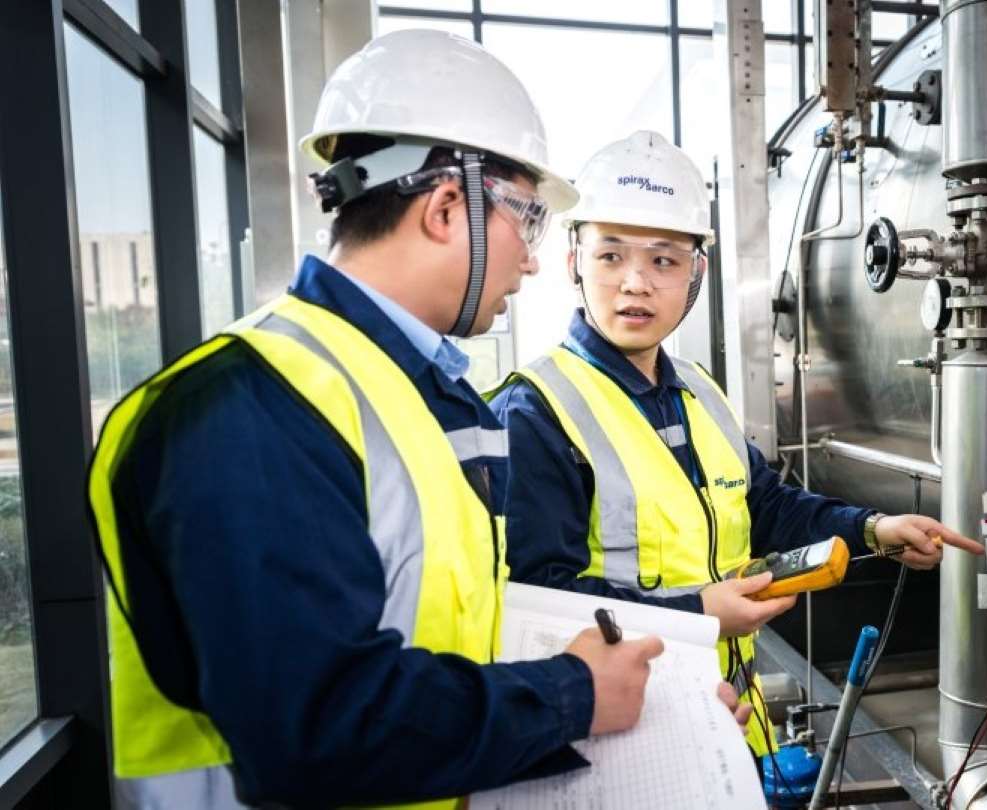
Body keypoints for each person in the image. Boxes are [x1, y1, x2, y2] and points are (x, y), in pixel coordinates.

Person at [88, 31, 676, 809]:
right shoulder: (247, 407)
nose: (532, 261)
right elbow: (318, 730)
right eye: (527, 223)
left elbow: (434, 638)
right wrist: (570, 696)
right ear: (444, 208)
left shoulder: (407, 390)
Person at [489, 130, 984, 755]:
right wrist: (698, 612)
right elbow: (537, 606)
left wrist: (873, 529)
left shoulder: (698, 390)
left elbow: (766, 506)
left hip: (728, 722)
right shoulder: (535, 412)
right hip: (617, 741)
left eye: (664, 260)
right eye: (611, 256)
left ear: (696, 272)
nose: (636, 283)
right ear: (573, 264)